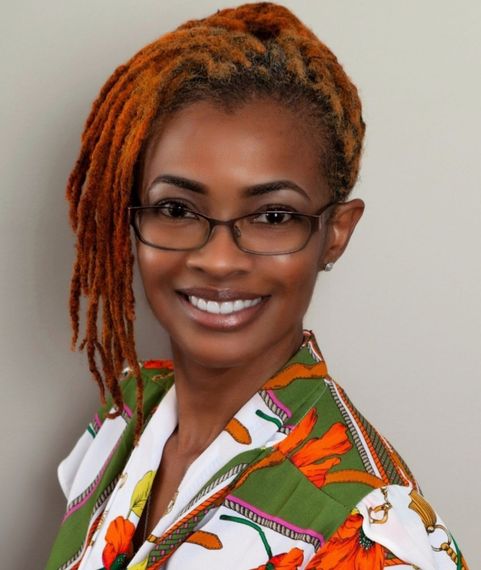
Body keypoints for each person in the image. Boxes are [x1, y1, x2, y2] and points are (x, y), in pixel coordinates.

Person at [46, 3, 468, 569]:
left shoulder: (369, 539)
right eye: (177, 208)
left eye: (272, 216)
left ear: (336, 234)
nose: (218, 260)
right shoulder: (122, 415)